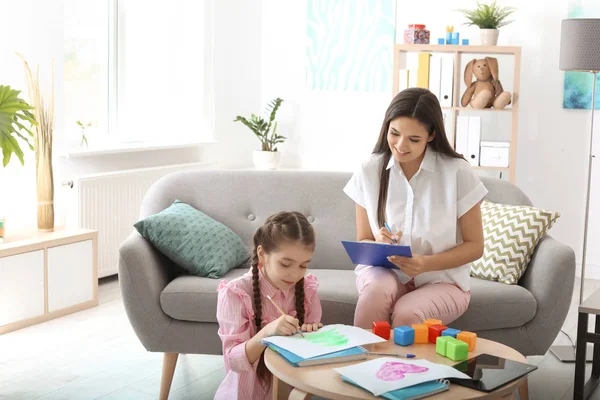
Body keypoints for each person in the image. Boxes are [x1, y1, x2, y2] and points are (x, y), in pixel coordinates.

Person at [343, 87, 487, 329]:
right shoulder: (370, 169)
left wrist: (425, 264)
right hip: (385, 275)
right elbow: (363, 239)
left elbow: (475, 247)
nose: (400, 145)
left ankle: (403, 369)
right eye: (394, 133)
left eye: (414, 139)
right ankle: (360, 364)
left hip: (443, 281)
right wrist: (379, 241)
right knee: (377, 291)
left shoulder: (457, 172)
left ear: (431, 135)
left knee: (407, 313)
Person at [214, 211, 323, 400]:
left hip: (289, 391)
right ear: (262, 254)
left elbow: (311, 349)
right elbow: (234, 361)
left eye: (303, 266)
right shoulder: (236, 294)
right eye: (286, 264)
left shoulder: (307, 290)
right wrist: (266, 333)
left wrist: (312, 333)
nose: (294, 275)